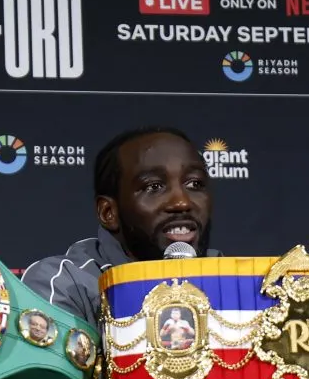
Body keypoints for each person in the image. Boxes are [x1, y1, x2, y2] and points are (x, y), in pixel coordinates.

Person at [21, 126, 221, 326]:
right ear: (109, 212)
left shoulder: (233, 279)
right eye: (154, 186)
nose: (181, 202)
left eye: (194, 184)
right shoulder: (65, 283)